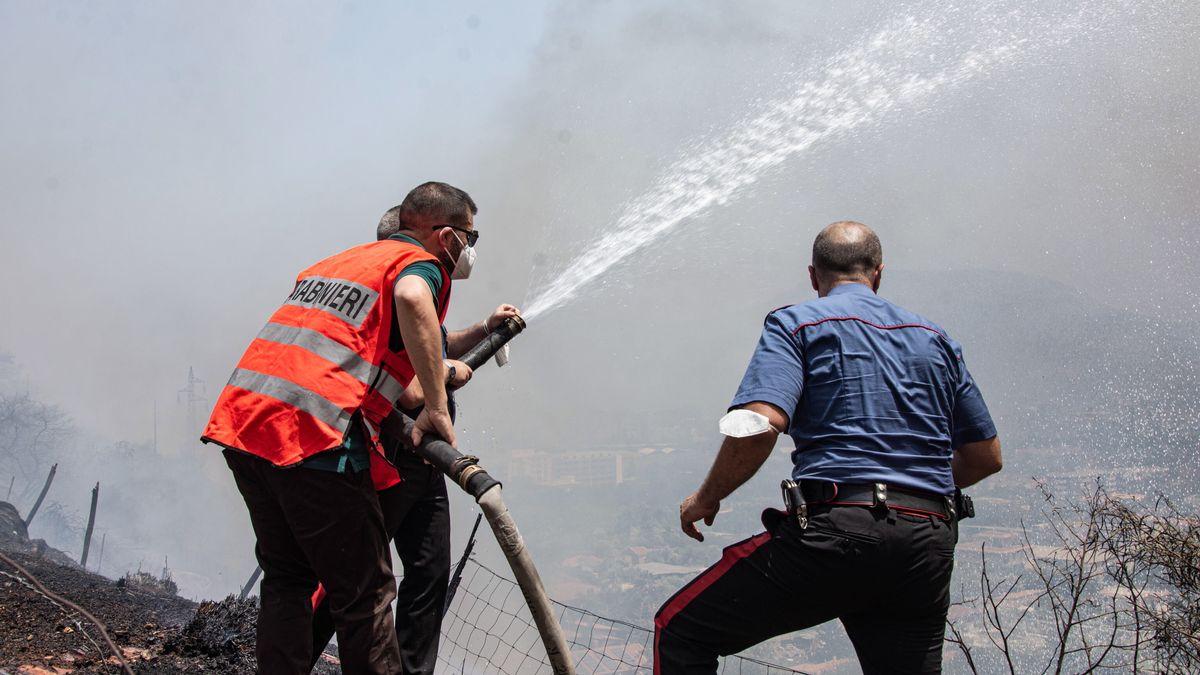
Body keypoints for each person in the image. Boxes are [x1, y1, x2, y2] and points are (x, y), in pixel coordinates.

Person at [654, 221, 1003, 674]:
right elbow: (985, 457)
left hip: (839, 533)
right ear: (878, 274)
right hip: (927, 543)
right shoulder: (936, 339)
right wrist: (909, 487)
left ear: (813, 276)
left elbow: (760, 422)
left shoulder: (797, 324)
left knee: (681, 630)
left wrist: (707, 497)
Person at [202, 181, 486, 675]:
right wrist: (438, 407)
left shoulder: (342, 263)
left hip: (245, 424)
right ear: (446, 236)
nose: (470, 249)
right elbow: (414, 296)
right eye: (471, 237)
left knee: (288, 577)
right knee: (367, 595)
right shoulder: (419, 267)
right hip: (312, 436)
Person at [308, 194, 520, 675]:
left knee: (428, 572)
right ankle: (303, 655)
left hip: (425, 458)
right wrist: (444, 377)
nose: (470, 248)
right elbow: (401, 388)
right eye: (469, 237)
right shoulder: (397, 290)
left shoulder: (421, 300)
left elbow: (437, 342)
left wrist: (486, 327)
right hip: (390, 455)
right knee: (358, 579)